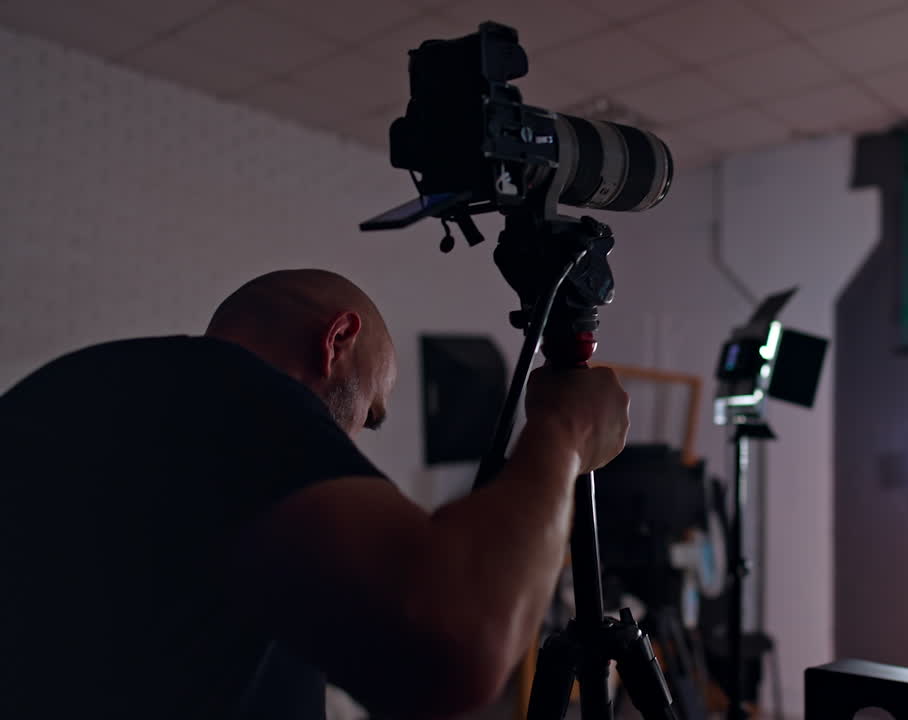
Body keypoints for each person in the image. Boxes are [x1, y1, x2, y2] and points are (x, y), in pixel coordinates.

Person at [0, 268, 630, 719]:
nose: (357, 441)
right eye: (370, 413)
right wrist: (566, 430)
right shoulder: (234, 398)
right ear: (336, 341)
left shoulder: (95, 394)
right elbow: (458, 645)